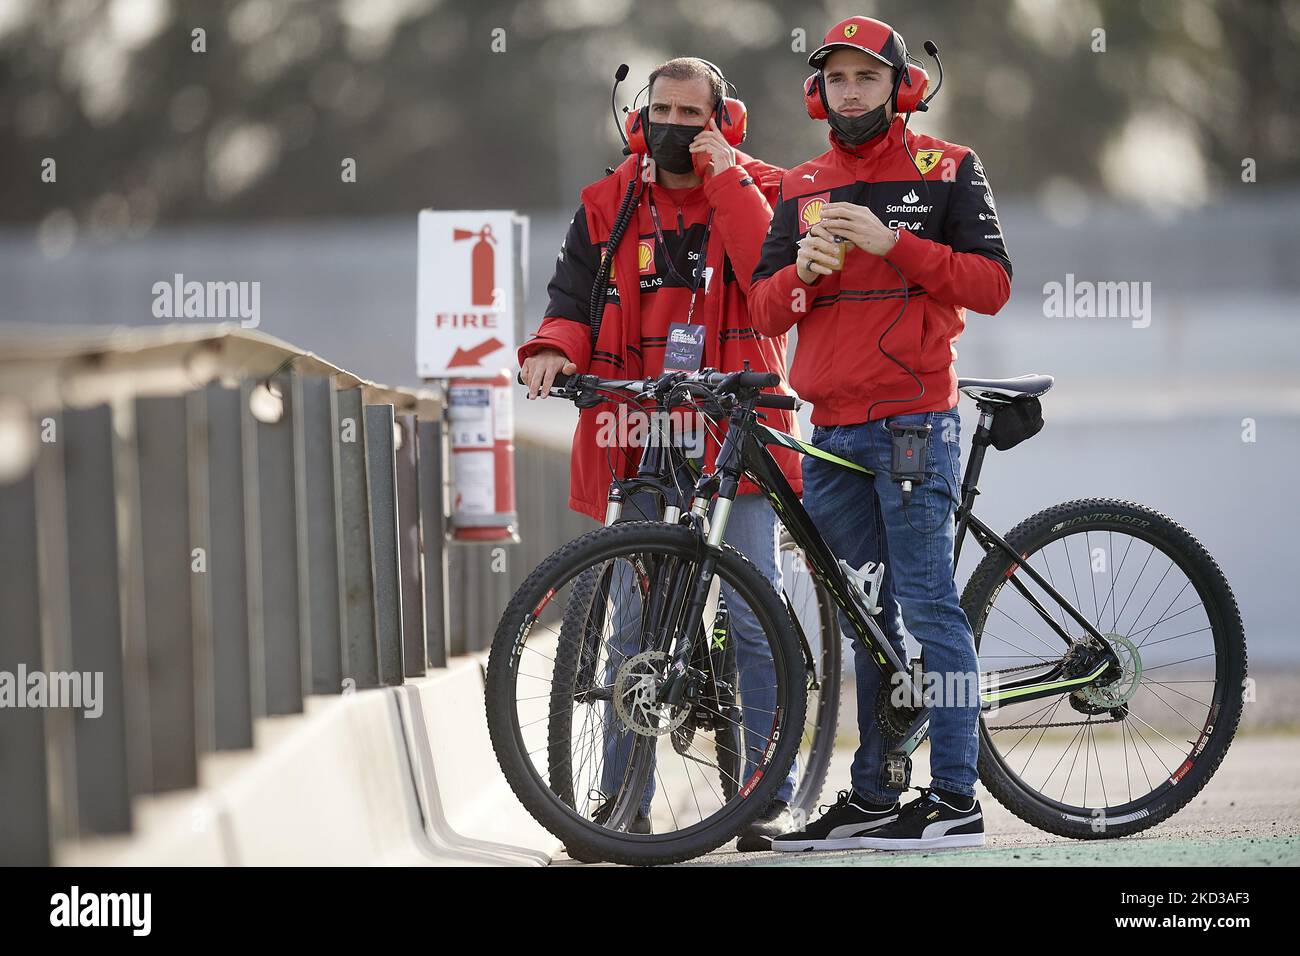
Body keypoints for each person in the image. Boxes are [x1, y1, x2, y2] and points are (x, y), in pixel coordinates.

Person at [518, 57, 802, 850]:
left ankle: (763, 793)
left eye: (692, 113)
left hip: (735, 431)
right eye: (662, 112)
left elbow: (770, 279)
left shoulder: (767, 190)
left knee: (753, 614)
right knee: (631, 629)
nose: (675, 127)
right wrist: (550, 350)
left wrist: (725, 178)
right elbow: (571, 299)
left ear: (724, 120)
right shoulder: (606, 203)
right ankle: (619, 804)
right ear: (639, 117)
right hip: (638, 432)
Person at [748, 16, 1012, 851]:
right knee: (867, 619)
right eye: (837, 79)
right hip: (830, 431)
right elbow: (760, 309)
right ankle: (873, 796)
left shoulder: (950, 168)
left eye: (867, 77)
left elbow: (995, 284)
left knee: (929, 607)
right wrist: (800, 277)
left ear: (902, 88)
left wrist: (898, 244)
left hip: (913, 422)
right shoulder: (799, 185)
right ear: (817, 93)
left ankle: (957, 800)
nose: (850, 91)